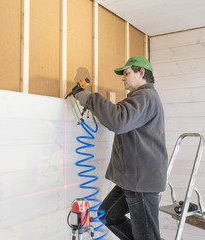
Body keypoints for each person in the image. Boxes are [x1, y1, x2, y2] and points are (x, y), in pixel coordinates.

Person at [76, 56, 168, 240]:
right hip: (132, 180)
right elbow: (120, 117)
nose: (122, 78)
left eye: (126, 73)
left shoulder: (145, 96)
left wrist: (89, 98)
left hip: (141, 182)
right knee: (108, 215)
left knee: (147, 236)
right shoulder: (139, 99)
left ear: (141, 73)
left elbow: (118, 121)